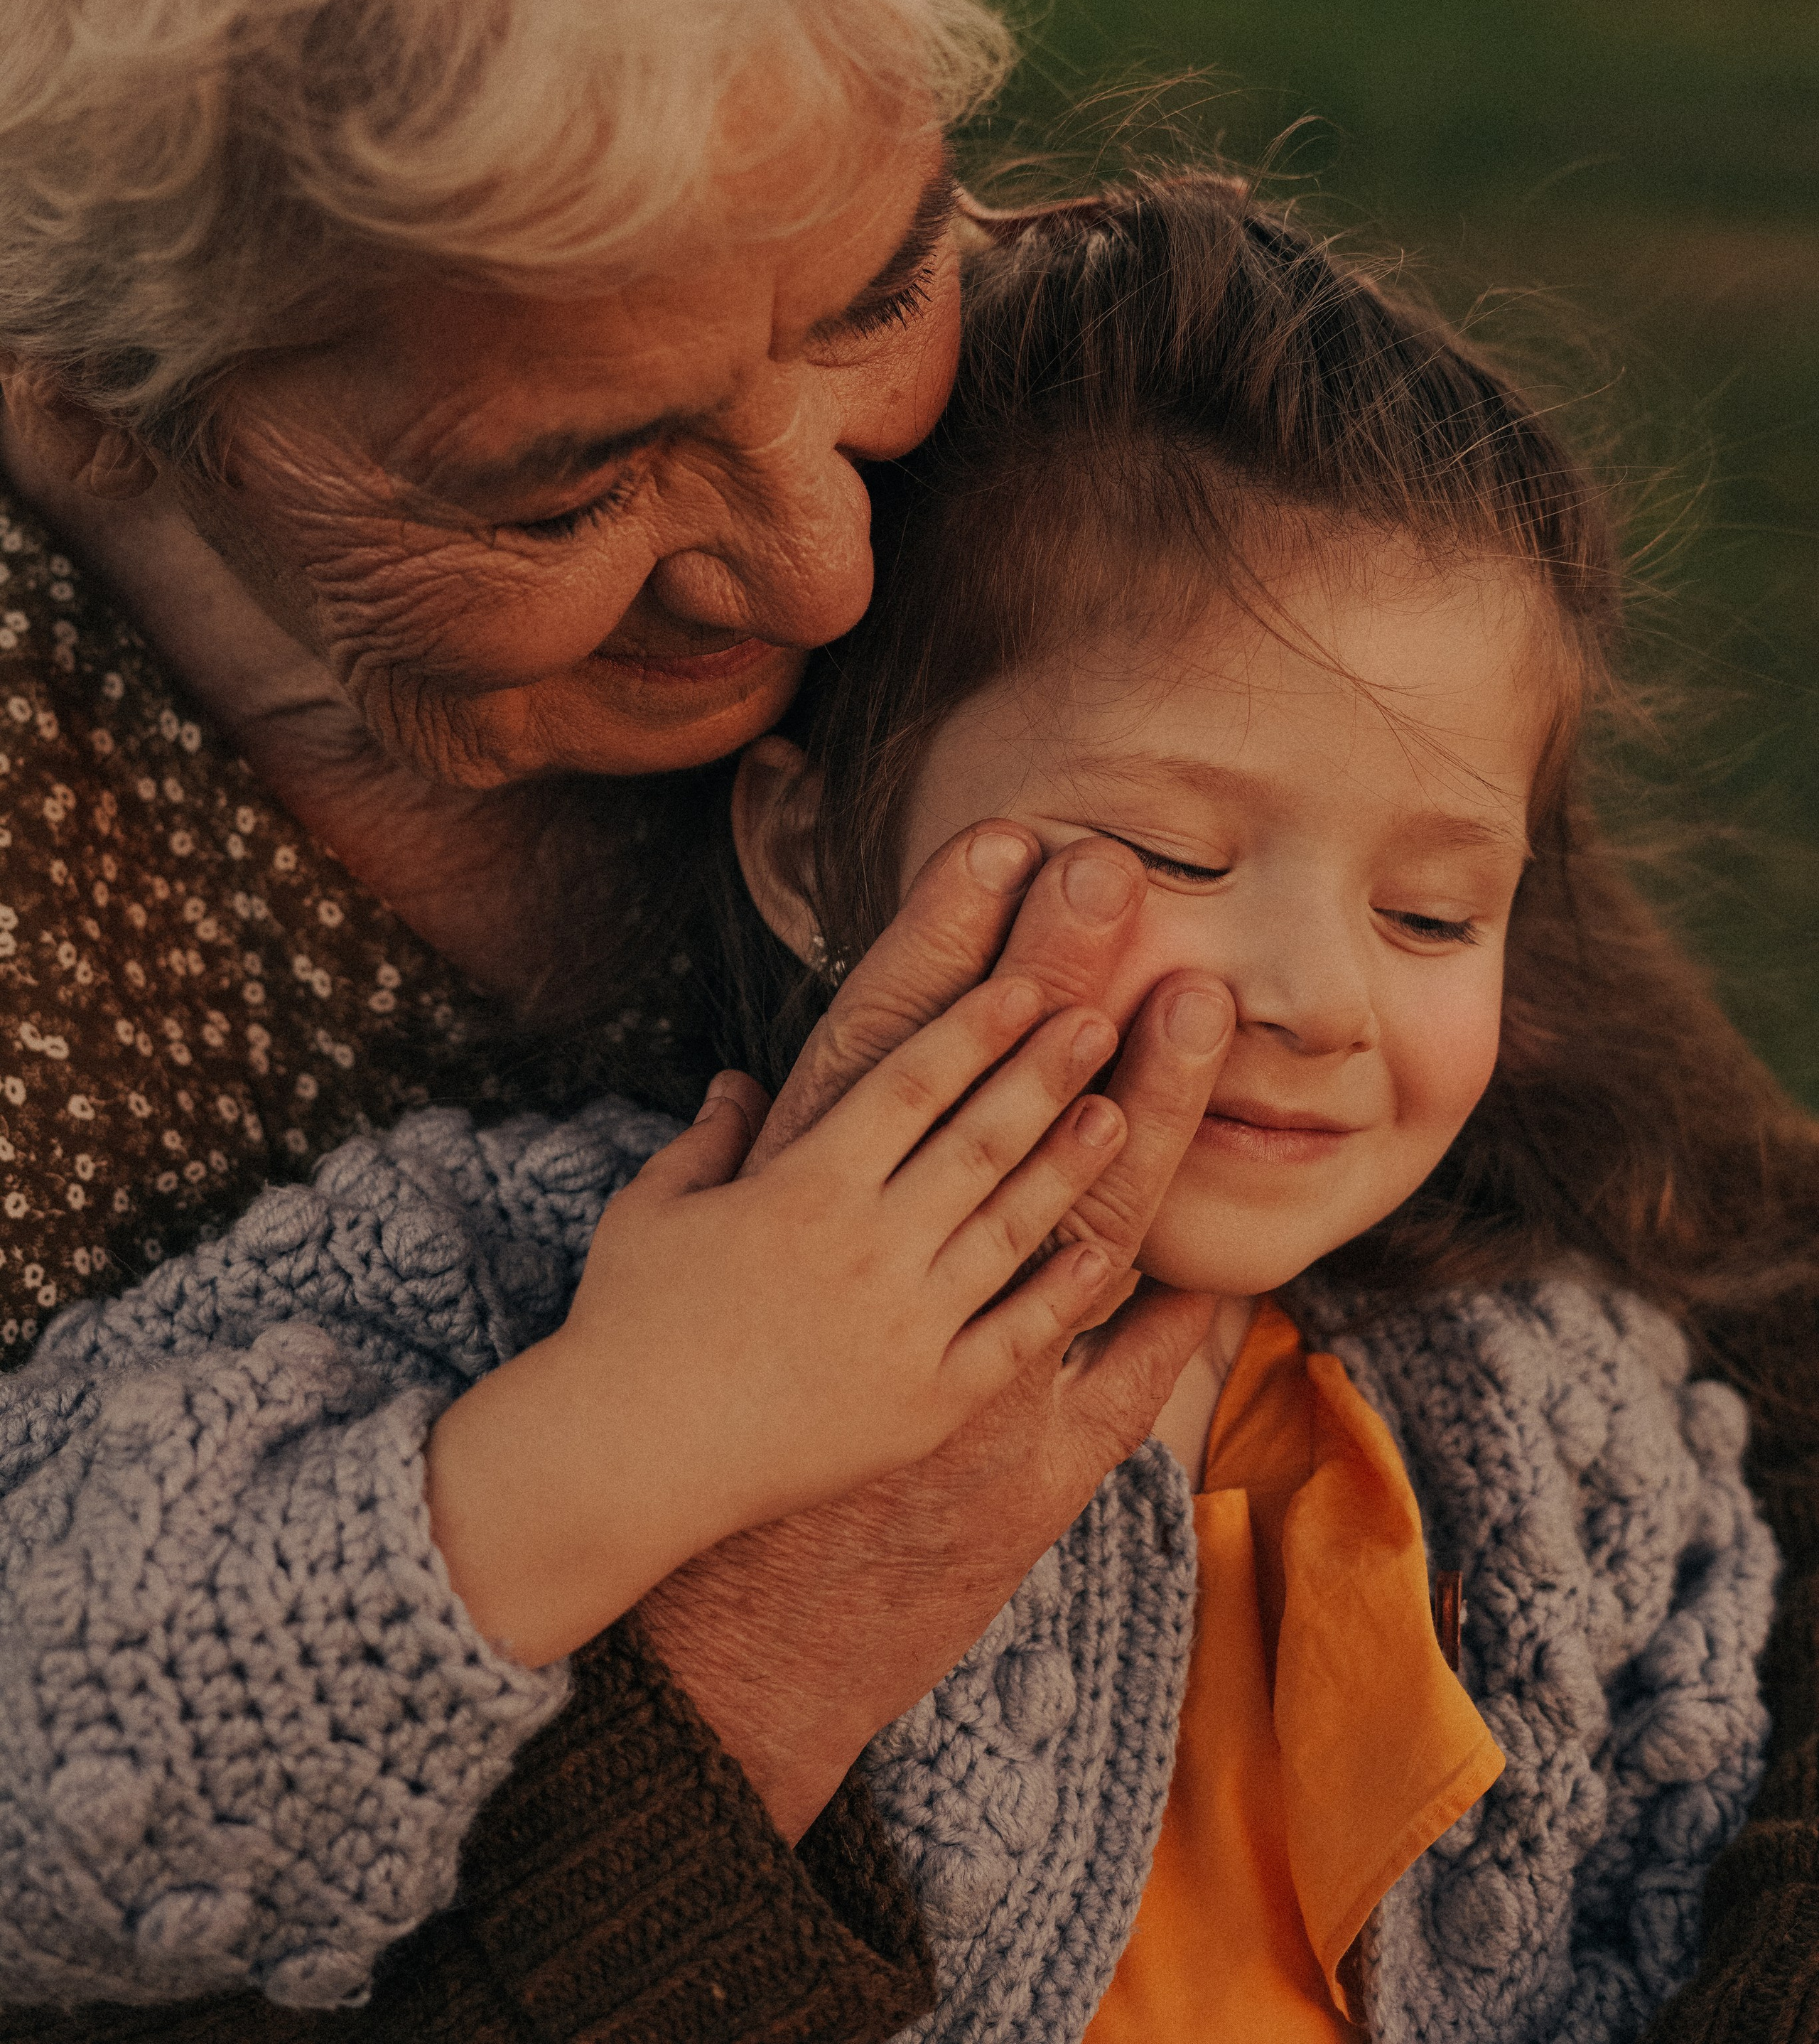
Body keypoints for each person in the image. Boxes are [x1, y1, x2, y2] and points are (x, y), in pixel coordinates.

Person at [2, 177, 1810, 2044]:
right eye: (1168, 851)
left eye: (1434, 911)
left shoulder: (1547, 1418)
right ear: (810, 851)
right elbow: (44, 1771)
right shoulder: (521, 1276)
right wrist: (626, 1432)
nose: (1322, 994)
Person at [0, 0, 1237, 2033]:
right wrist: (745, 1676)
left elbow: (1726, 1282)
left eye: (882, 285)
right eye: (564, 488)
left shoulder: (1144, 497)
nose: (818, 569)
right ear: (86, 404)